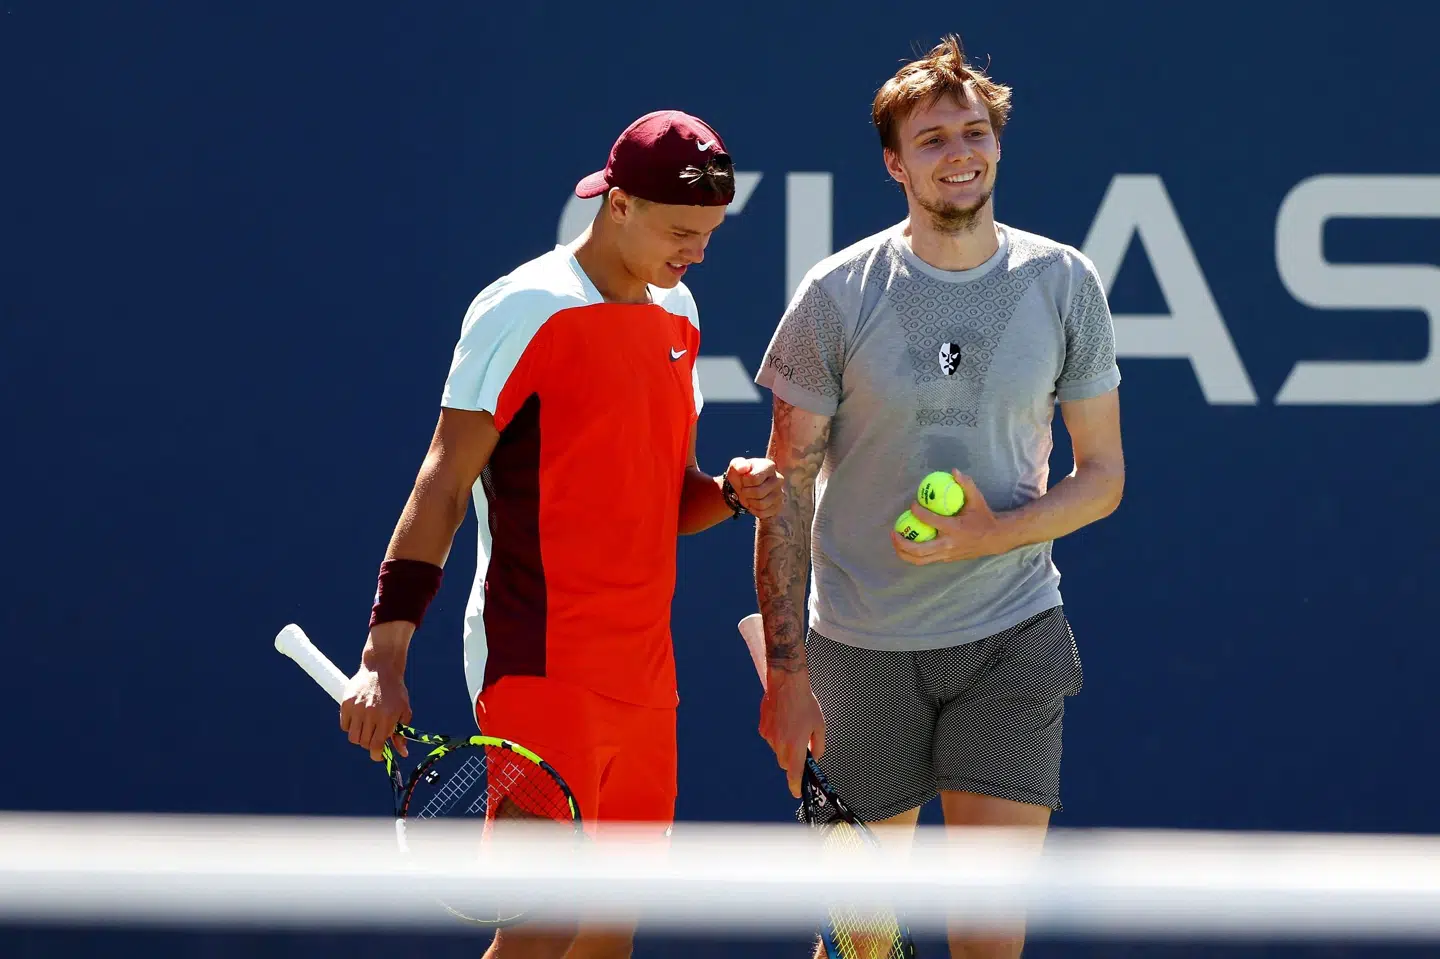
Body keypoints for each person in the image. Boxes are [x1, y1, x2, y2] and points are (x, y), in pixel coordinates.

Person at [338, 109, 783, 959]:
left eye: (710, 234)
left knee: (606, 937)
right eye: (681, 232)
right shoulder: (525, 307)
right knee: (541, 929)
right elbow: (442, 483)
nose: (697, 253)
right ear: (617, 205)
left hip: (645, 674)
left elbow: (666, 500)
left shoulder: (679, 312)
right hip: (540, 660)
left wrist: (729, 493)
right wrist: (382, 656)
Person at [752, 35, 1125, 959]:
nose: (959, 152)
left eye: (974, 132)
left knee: (990, 934)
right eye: (931, 139)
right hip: (859, 648)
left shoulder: (1065, 282)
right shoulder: (834, 295)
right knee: (861, 944)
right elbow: (787, 493)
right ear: (895, 163)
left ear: (997, 143)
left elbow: (1103, 476)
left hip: (1012, 637)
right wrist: (789, 675)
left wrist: (990, 535)